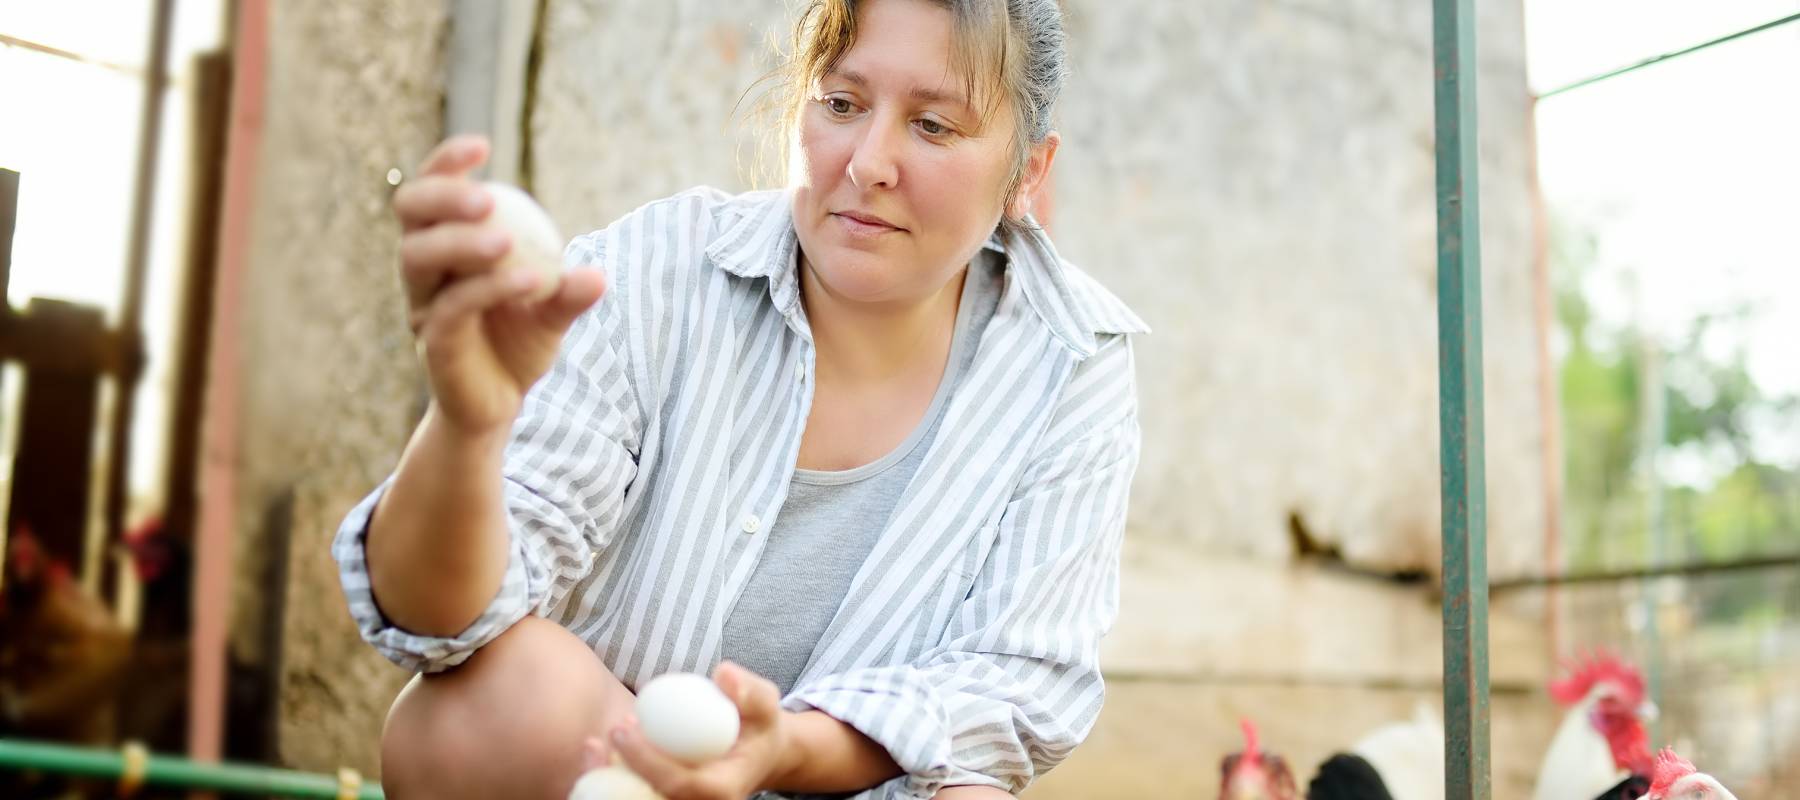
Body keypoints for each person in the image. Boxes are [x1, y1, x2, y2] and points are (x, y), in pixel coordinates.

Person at [333, 0, 1146, 797]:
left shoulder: (1069, 361)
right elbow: (440, 624)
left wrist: (783, 748)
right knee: (486, 704)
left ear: (1026, 174)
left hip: (856, 787)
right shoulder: (650, 271)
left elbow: (1013, 683)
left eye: (933, 125)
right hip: (613, 769)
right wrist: (467, 430)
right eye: (842, 103)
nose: (868, 163)